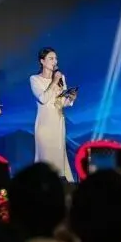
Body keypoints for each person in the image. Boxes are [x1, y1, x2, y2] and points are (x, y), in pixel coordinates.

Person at [30, 47, 76, 182]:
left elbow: (61, 103)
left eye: (55, 58)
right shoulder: (35, 79)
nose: (54, 61)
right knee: (45, 159)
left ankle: (61, 187)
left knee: (59, 158)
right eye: (51, 58)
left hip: (58, 124)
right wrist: (54, 81)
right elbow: (43, 99)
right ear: (42, 61)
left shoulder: (61, 78)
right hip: (44, 126)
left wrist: (71, 98)